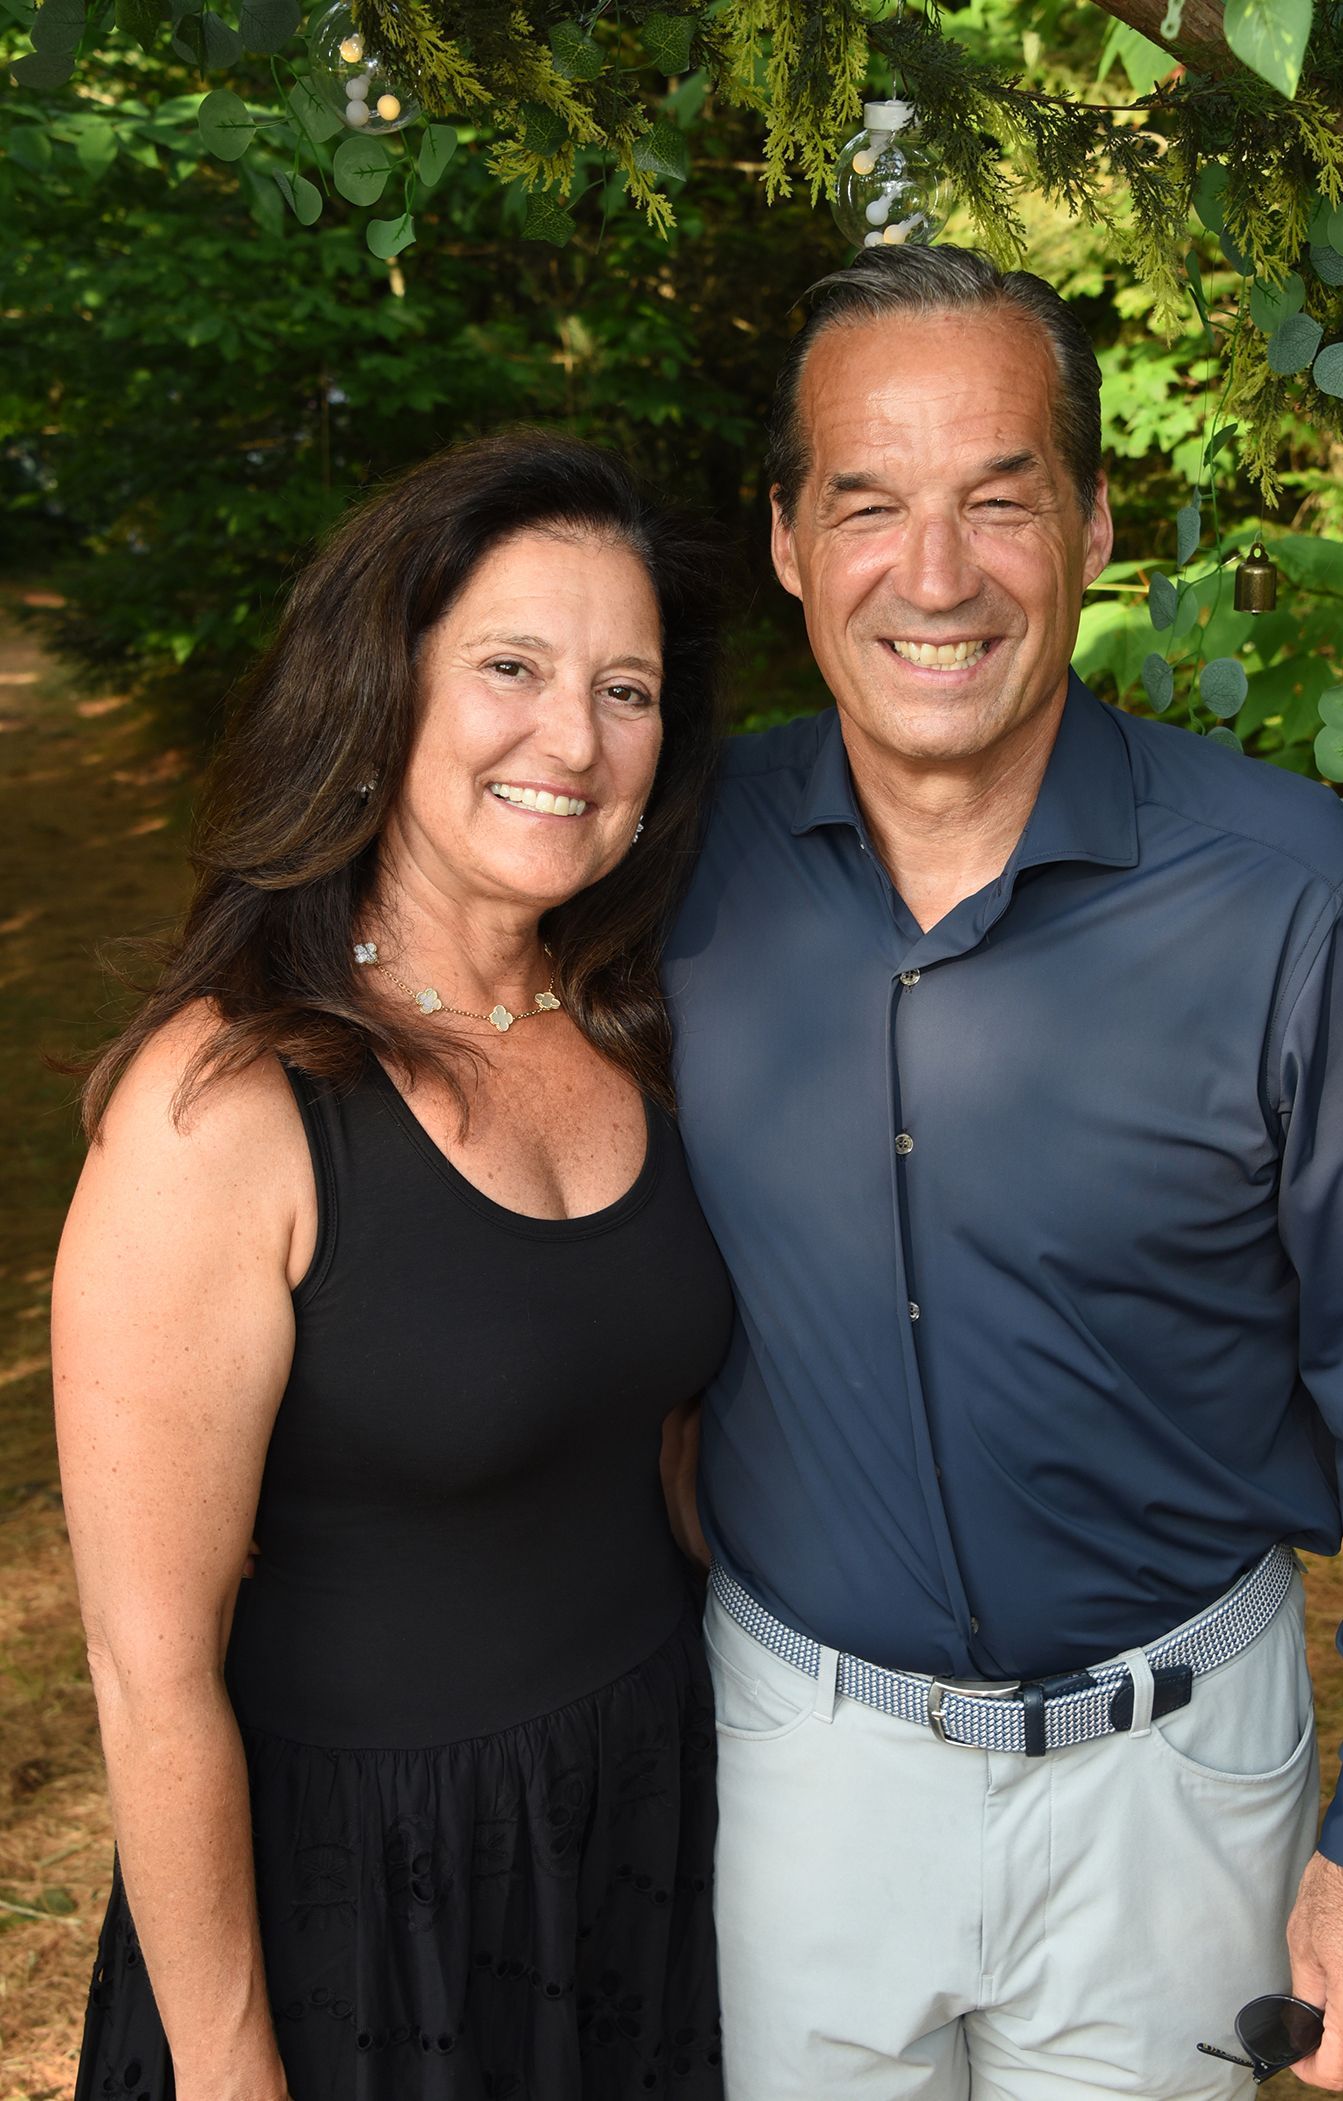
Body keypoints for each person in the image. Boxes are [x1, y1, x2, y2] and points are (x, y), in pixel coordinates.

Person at [662, 249, 1343, 2099]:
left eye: (1000, 498)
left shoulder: (1296, 900)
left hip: (1176, 1786)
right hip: (794, 1765)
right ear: (792, 539)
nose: (935, 575)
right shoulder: (678, 869)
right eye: (870, 503)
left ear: (1096, 521)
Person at [55, 433, 734, 2101]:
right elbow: (151, 1675)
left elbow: (663, 1451)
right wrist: (230, 2073)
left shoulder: (644, 1024)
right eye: (512, 667)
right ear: (388, 688)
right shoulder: (225, 1107)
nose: (572, 740)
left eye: (627, 689)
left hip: (647, 1829)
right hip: (370, 1901)